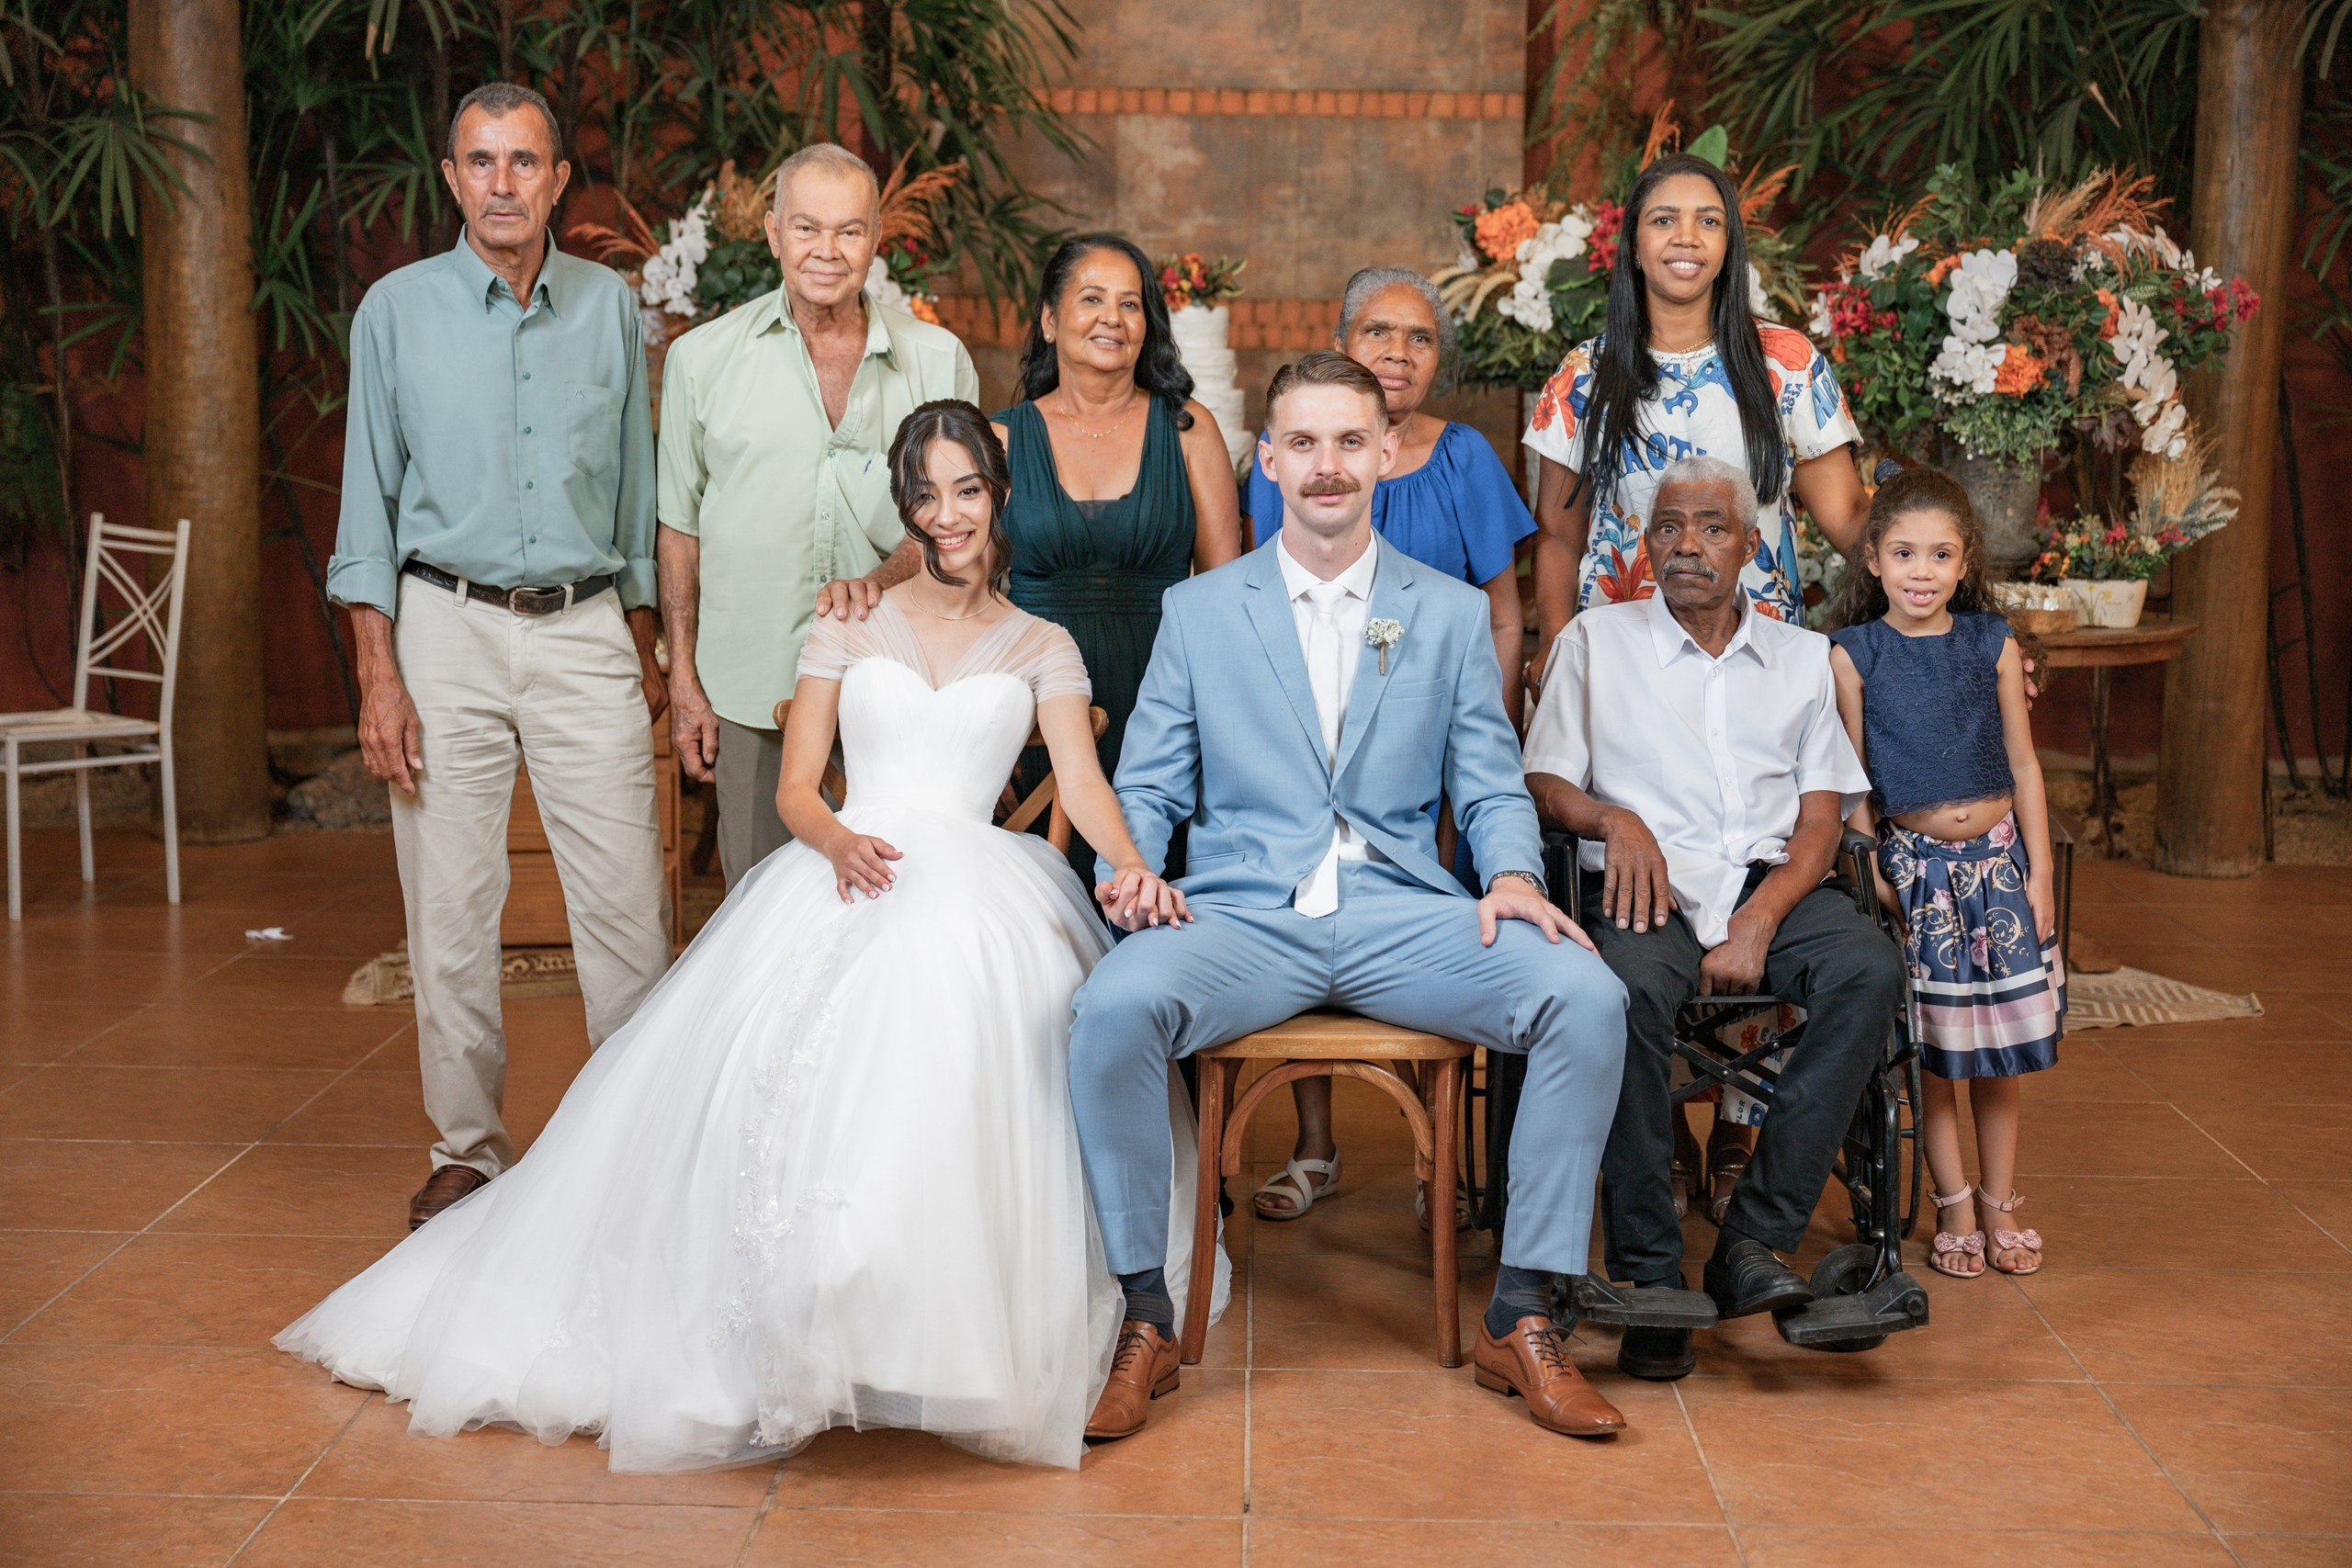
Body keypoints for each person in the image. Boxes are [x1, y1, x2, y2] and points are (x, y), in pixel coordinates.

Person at [279, 402, 1227, 1472]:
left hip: (984, 887)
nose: (948, 513)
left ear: (999, 495)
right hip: (848, 867)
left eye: (967, 490)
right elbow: (792, 787)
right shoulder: (847, 621)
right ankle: (800, 1325)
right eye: (926, 493)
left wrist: (1129, 863)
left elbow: (1087, 785)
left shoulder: (1041, 643)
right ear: (903, 506)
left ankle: (932, 1334)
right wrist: (837, 839)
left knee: (979, 1046)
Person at [1069, 352, 1630, 1443]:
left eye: (1347, 442)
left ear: (1382, 453)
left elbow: (1487, 778)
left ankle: (1518, 1316)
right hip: (1237, 916)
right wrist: (1129, 868)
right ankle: (1141, 1313)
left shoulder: (1451, 612)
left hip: (1404, 913)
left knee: (1587, 999)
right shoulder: (1197, 611)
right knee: (1110, 1009)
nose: (1326, 467)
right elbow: (1143, 783)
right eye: (1302, 443)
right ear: (1267, 460)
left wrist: (1511, 874)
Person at [327, 83, 670, 1231]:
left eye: (525, 162)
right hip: (444, 629)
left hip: (584, 630)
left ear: (559, 181)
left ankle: (633, 1144)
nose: (503, 184)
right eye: (481, 162)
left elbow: (633, 487)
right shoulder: (394, 312)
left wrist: (642, 645)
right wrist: (380, 674)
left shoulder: (609, 309)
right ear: (452, 178)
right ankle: (467, 1150)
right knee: (452, 907)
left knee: (627, 911)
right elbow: (364, 513)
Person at [1521, 151, 1871, 1219]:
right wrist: (1546, 662)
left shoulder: (1784, 363)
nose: (1683, 238)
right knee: (1649, 897)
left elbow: (1852, 523)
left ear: (1729, 243)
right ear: (1629, 242)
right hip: (1626, 669)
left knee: (1752, 848)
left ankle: (1741, 1122)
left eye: (1705, 221)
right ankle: (1665, 1125)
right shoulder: (1586, 372)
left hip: (1756, 656)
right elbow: (1556, 536)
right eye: (1662, 220)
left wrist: (1957, 616)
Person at [1522, 456, 1902, 1384]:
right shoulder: (1595, 641)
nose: (1687, 544)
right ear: (1645, 544)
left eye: (1712, 527)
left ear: (1751, 545)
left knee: (1867, 970)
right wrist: (1616, 819)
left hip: (1771, 886)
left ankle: (1754, 1242)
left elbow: (1820, 818)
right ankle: (1650, 1271)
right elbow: (1545, 777)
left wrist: (1762, 918)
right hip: (1645, 888)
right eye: (1669, 528)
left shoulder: (1800, 656)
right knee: (1615, 998)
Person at [1238, 266, 1537, 1229]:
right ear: (1341, 343)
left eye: (1418, 338)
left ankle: (1433, 1158)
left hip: (1433, 742)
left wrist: (1471, 740)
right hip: (1309, 745)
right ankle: (1313, 1142)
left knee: (1438, 935)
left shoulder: (1464, 460)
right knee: (1298, 898)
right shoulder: (1294, 458)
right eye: (1377, 332)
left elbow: (1502, 613)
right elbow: (1263, 596)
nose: (1398, 352)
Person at [659, 142, 979, 889]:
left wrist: (885, 576)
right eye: (806, 228)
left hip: (910, 689)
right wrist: (684, 686)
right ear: (772, 233)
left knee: (904, 914)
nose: (827, 251)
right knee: (757, 920)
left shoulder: (940, 358)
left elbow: (968, 524)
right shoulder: (700, 361)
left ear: (875, 240)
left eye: (849, 231)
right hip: (749, 687)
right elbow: (679, 531)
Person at [1825, 467, 2062, 1280]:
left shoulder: (1990, 642)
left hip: (1998, 868)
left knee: (2002, 1051)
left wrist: (2041, 875)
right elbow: (1853, 780)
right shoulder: (1853, 656)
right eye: (1903, 553)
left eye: (1940, 555)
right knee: (1939, 1049)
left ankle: (2001, 1203)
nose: (1921, 571)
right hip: (1917, 874)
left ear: (1965, 565)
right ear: (1873, 562)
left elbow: (2026, 766)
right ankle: (1953, 1202)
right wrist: (1876, 876)